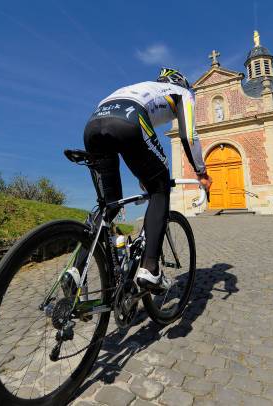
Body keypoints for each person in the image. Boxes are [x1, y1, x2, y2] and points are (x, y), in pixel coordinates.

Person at [83, 68, 212, 293]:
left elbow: (129, 146)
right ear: (181, 83)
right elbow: (188, 136)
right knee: (160, 189)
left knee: (110, 206)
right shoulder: (182, 93)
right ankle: (150, 269)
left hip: (94, 124)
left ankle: (76, 271)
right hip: (130, 119)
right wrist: (200, 171)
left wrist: (145, 174)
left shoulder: (140, 87)